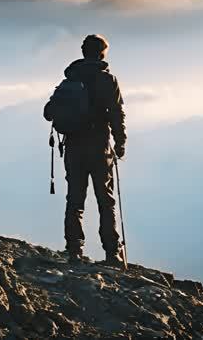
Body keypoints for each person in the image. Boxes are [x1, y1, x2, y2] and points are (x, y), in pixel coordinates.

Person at [46, 34, 127, 265]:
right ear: (102, 53)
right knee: (106, 201)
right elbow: (117, 114)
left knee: (75, 200)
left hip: (73, 147)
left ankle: (74, 250)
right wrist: (120, 143)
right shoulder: (108, 80)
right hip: (99, 147)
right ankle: (112, 253)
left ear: (83, 52)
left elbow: (48, 112)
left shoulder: (69, 79)